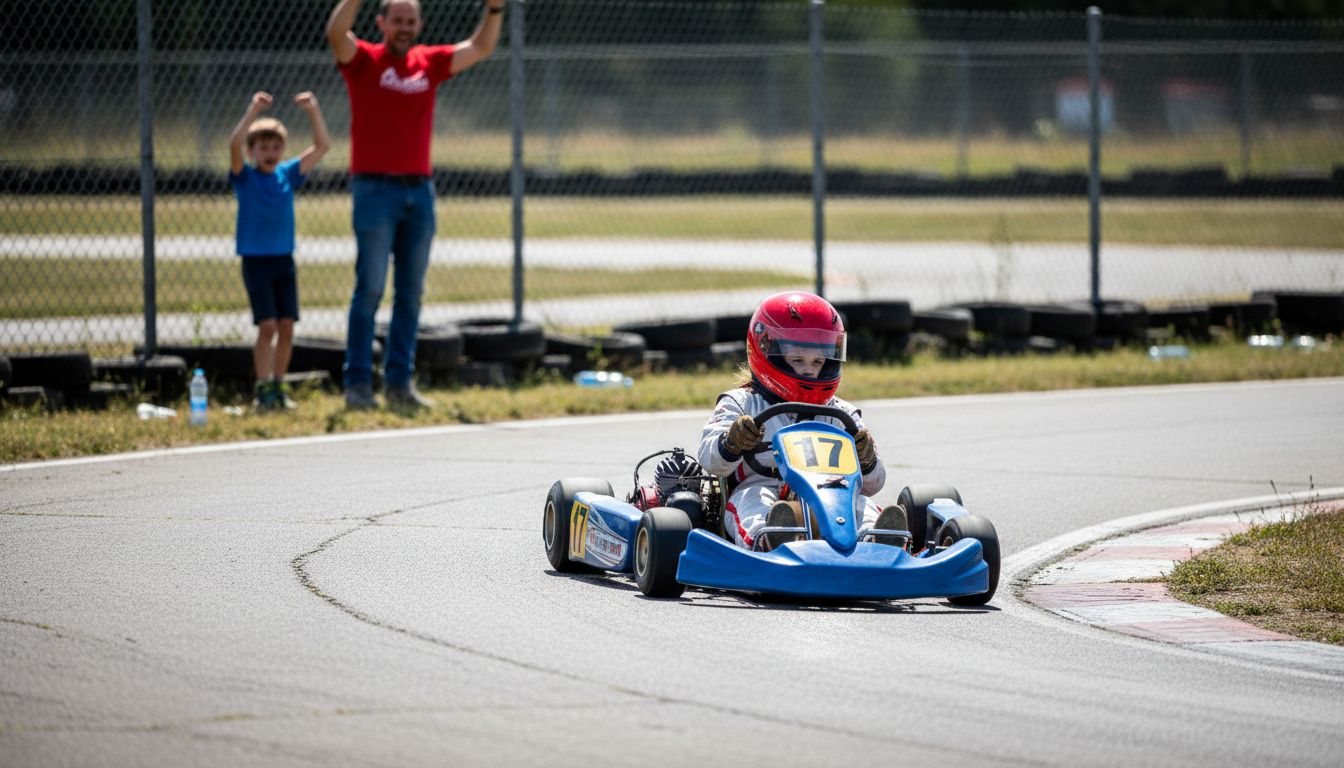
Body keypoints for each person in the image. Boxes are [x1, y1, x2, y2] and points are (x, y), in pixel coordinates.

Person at [326, 0, 505, 409]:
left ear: (420, 24)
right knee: (370, 289)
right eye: (397, 21)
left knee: (410, 294)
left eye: (411, 21)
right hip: (374, 190)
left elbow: (480, 47)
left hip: (419, 192)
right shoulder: (363, 61)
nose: (404, 28)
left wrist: (495, 9)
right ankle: (358, 384)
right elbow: (336, 34)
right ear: (382, 23)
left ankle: (399, 384)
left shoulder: (429, 63)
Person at [696, 291, 906, 551]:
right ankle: (769, 540)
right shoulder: (742, 403)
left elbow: (873, 484)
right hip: (762, 488)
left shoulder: (842, 413)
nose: (809, 370)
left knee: (861, 503)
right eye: (798, 360)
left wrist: (867, 459)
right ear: (766, 350)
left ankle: (875, 542)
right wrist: (732, 441)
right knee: (752, 500)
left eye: (817, 361)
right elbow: (709, 460)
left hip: (830, 495)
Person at [228, 90, 330, 411]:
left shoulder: (287, 174)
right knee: (267, 326)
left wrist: (313, 110)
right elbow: (233, 144)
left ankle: (278, 386)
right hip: (256, 261)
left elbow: (322, 147)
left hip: (283, 260)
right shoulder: (245, 177)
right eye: (263, 147)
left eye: (275, 147)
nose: (270, 153)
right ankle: (263, 390)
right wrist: (253, 110)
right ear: (252, 152)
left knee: (286, 326)